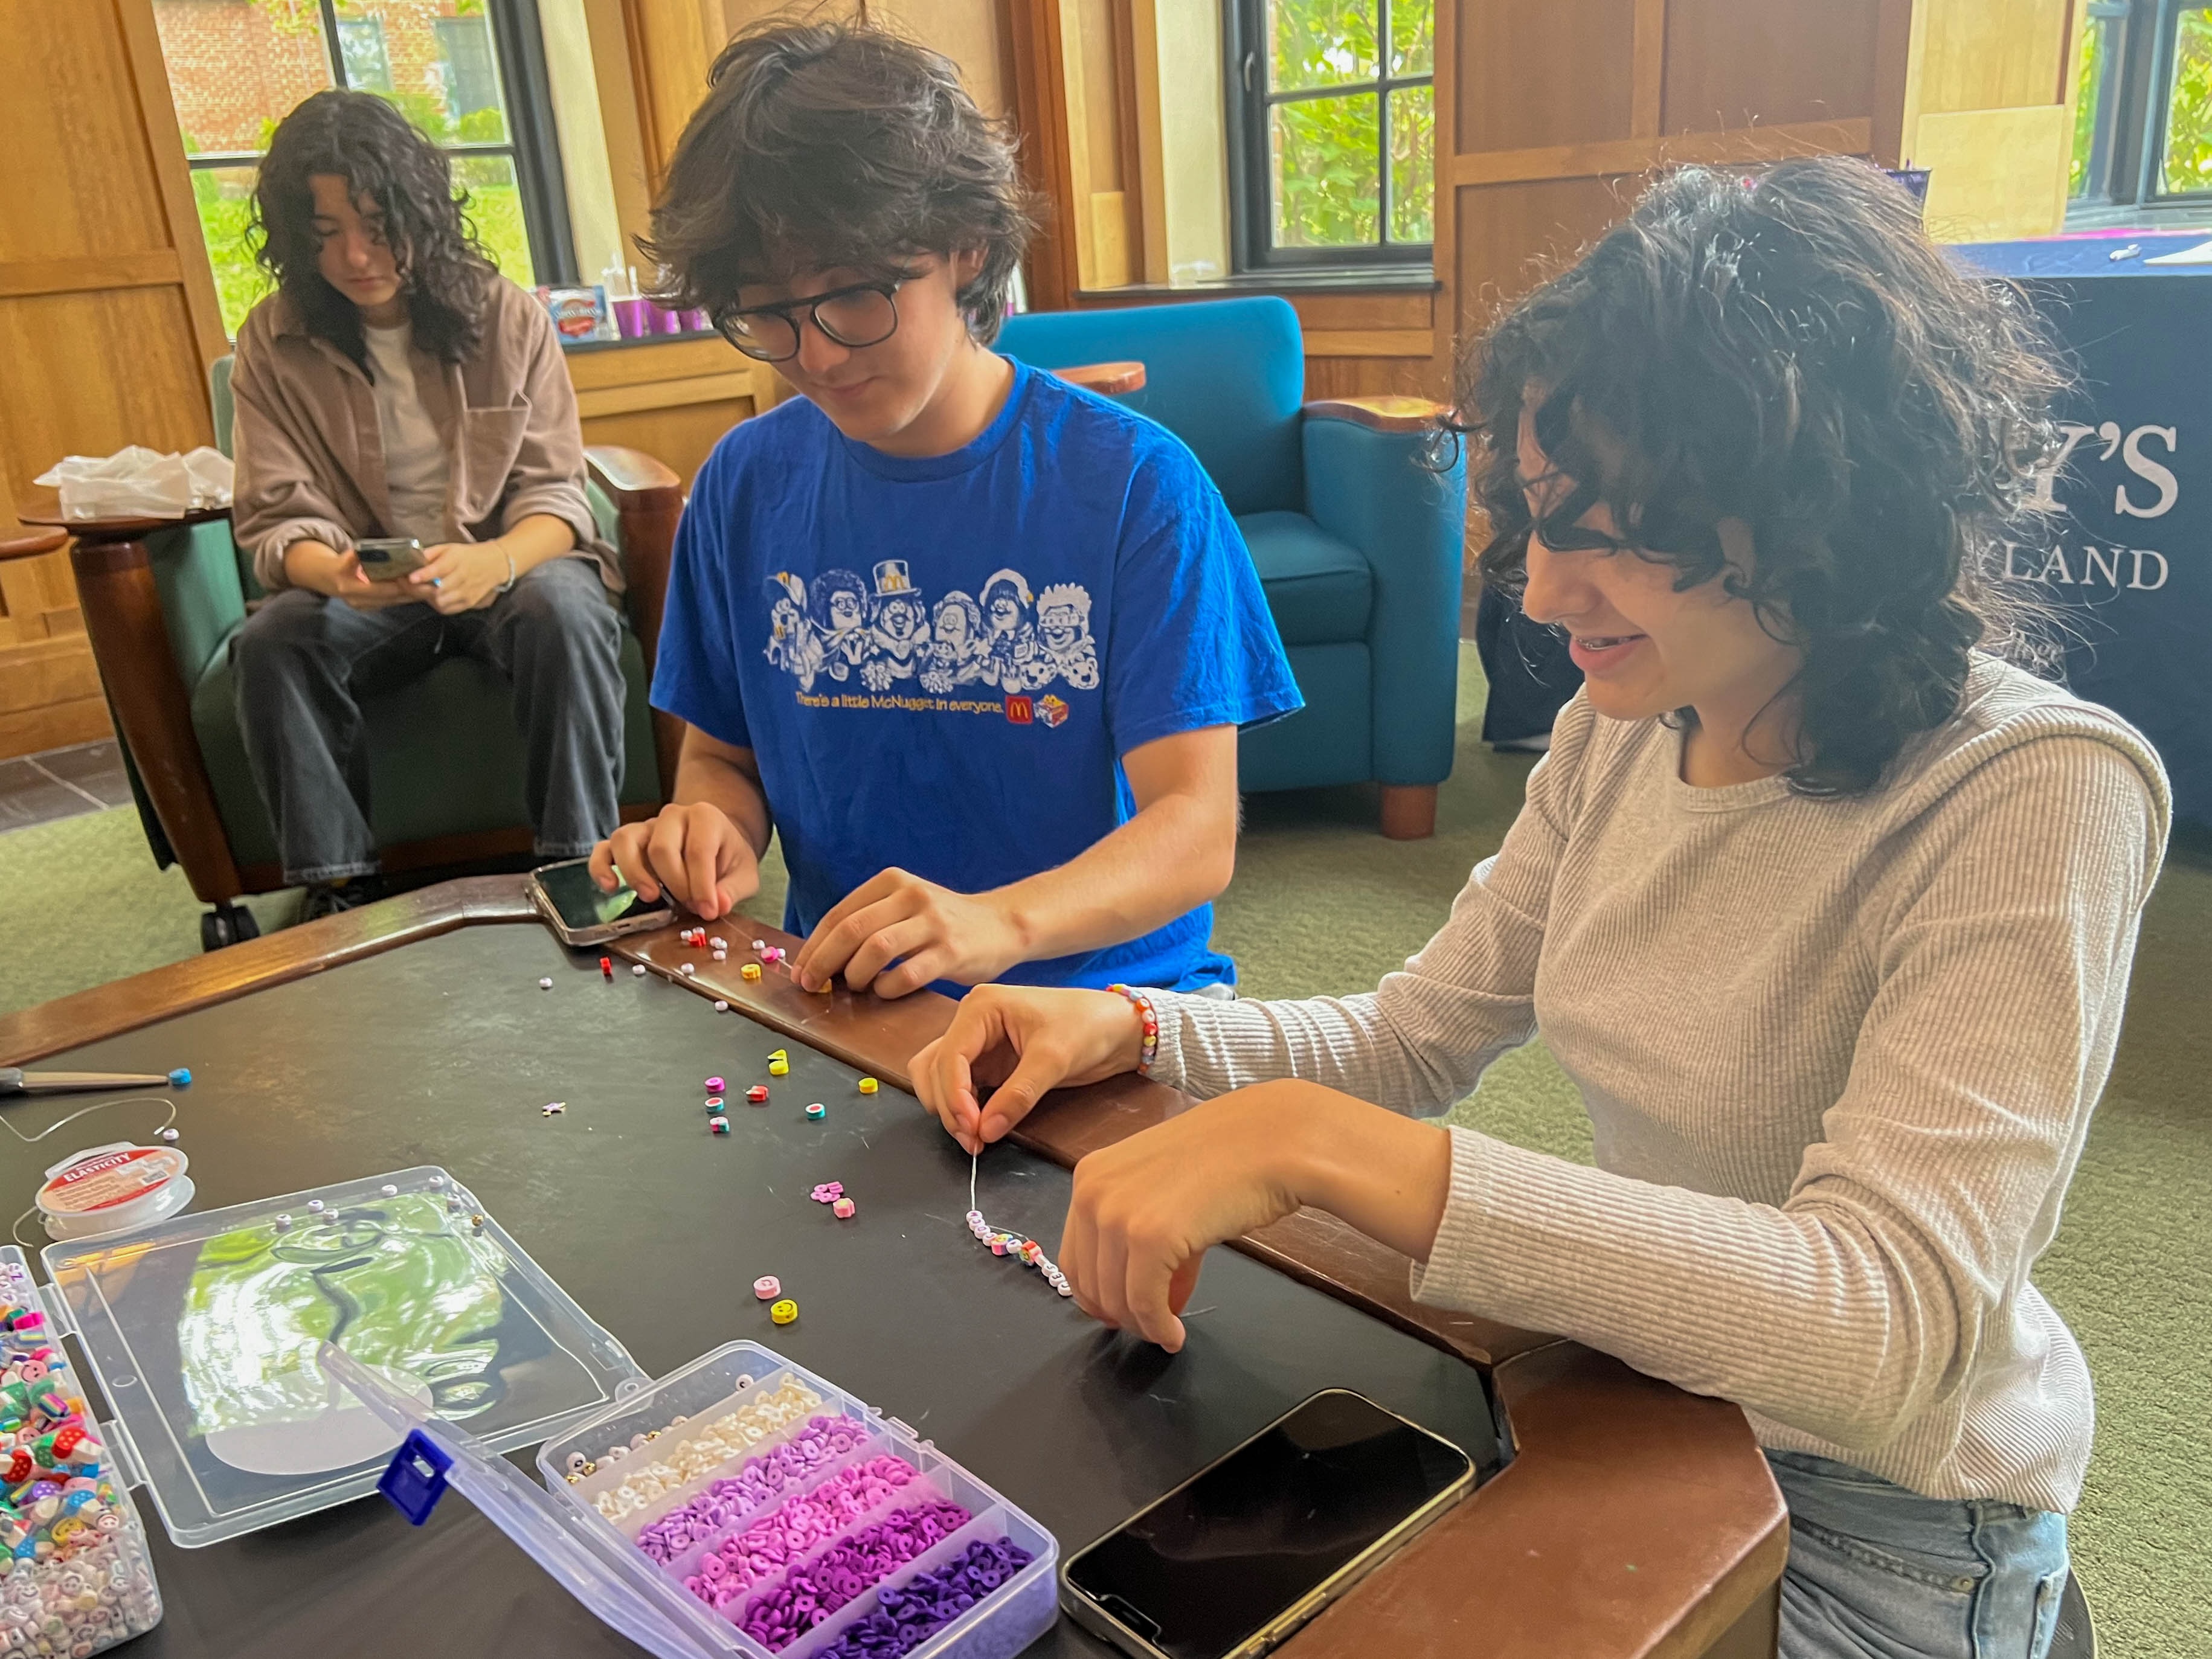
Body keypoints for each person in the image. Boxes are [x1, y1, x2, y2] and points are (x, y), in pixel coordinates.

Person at [910, 158, 2170, 1659]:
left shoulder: (2037, 787)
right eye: (1540, 518)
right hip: (1637, 1398)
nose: (1543, 591)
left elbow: (1881, 1327)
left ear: (1824, 510)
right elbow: (1416, 1033)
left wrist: (1331, 1150)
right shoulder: (1623, 722)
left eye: (1621, 531)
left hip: (1892, 1524)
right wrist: (1131, 1024)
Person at [589, 19, 1299, 999]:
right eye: (768, 314)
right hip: (857, 1001)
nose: (818, 356)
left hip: (1110, 1006)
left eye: (854, 295)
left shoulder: (1135, 484)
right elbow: (721, 758)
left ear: (965, 247)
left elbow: (1193, 831)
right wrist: (711, 825)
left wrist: (995, 925)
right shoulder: (742, 483)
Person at [229, 91, 626, 913]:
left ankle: (580, 870)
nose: (357, 257)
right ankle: (336, 889)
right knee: (273, 640)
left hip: (510, 568)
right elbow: (273, 514)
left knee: (570, 612)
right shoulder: (271, 342)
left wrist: (496, 560)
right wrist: (333, 575)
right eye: (326, 232)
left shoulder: (507, 316)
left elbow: (558, 491)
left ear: (422, 213)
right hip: (372, 593)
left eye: (379, 225)